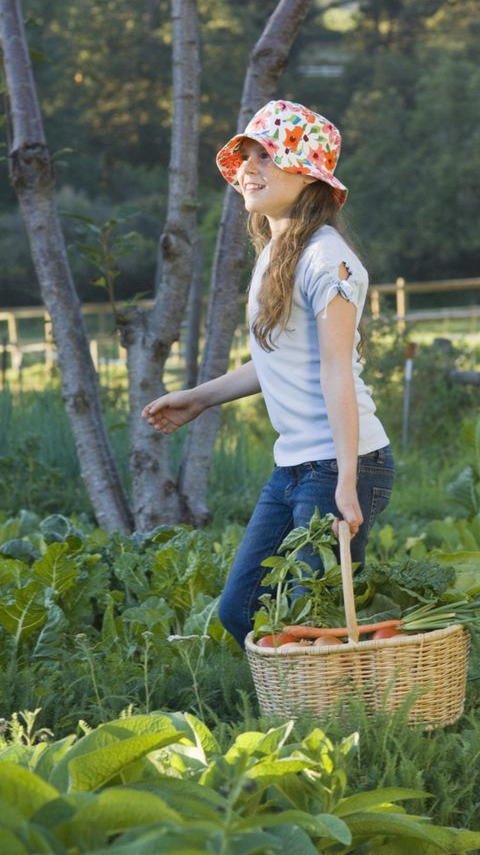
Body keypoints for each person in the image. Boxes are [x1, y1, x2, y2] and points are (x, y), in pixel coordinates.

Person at [141, 99, 395, 649]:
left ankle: (345, 715)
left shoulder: (329, 260)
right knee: (241, 612)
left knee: (312, 614)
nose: (249, 168)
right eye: (246, 156)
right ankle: (313, 702)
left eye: (268, 156)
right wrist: (200, 398)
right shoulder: (277, 251)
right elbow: (278, 361)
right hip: (296, 467)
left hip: (341, 464)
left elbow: (336, 373)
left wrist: (347, 484)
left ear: (308, 176)